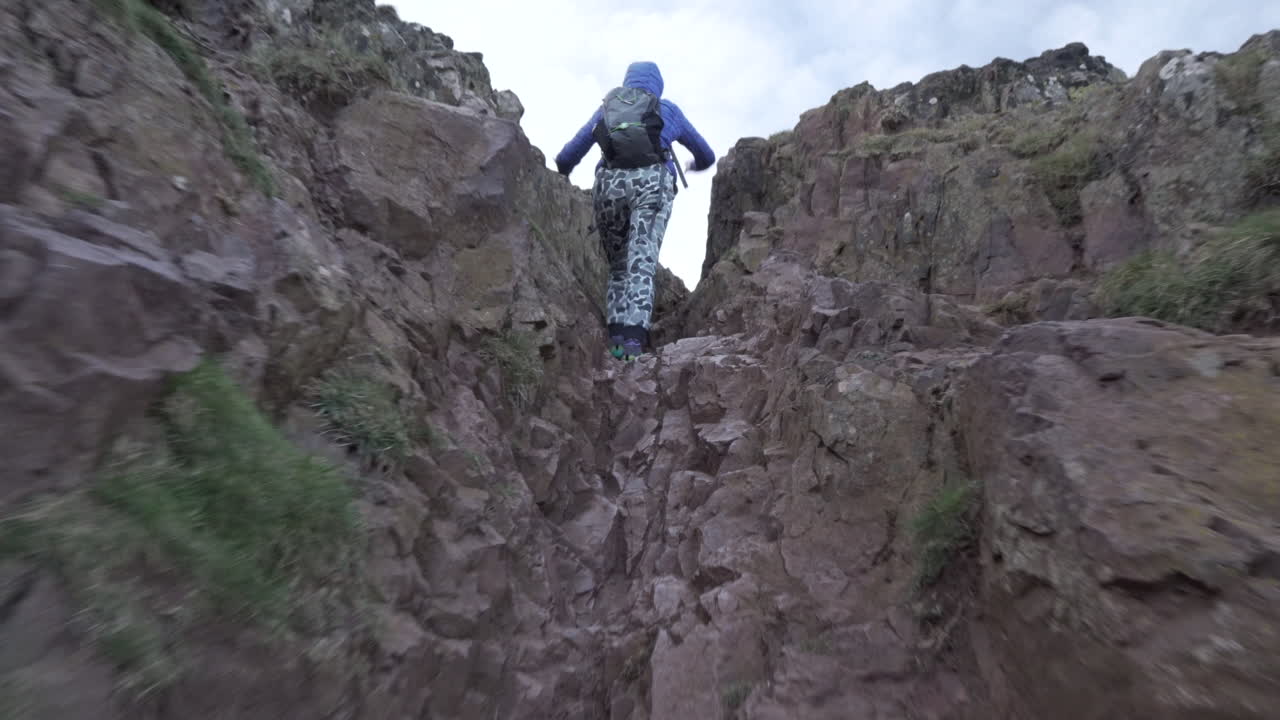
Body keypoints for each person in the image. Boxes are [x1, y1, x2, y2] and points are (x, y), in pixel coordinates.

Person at [555, 61, 716, 362]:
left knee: (618, 267)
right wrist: (693, 166)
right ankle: (634, 343)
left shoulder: (608, 108)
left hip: (609, 186)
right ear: (657, 85)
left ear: (628, 82)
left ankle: (615, 341)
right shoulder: (666, 109)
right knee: (640, 262)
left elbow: (569, 154)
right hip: (652, 183)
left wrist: (560, 174)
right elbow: (706, 155)